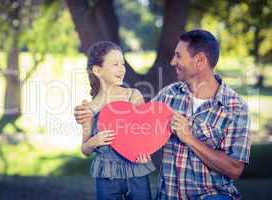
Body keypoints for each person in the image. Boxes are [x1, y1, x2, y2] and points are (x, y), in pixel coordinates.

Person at [152, 29, 251, 199]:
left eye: (178, 56)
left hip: (213, 195)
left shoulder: (235, 107)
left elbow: (235, 169)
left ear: (199, 60)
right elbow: (137, 127)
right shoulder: (168, 95)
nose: (172, 61)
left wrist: (189, 138)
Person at [74, 41, 155, 200]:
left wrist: (145, 150)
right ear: (97, 70)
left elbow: (147, 132)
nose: (122, 68)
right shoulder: (89, 108)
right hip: (106, 176)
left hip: (136, 171)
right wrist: (93, 141)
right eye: (115, 64)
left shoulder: (133, 96)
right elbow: (85, 150)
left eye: (123, 63)